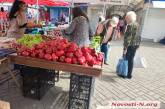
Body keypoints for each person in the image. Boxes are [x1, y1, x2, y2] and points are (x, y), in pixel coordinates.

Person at [123, 11, 141, 79]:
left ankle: (127, 74)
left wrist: (125, 48)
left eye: (126, 18)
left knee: (128, 59)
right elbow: (138, 35)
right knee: (131, 59)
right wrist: (138, 44)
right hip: (135, 44)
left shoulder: (130, 25)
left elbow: (128, 37)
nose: (126, 19)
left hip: (130, 45)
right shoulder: (137, 24)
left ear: (129, 18)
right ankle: (129, 74)